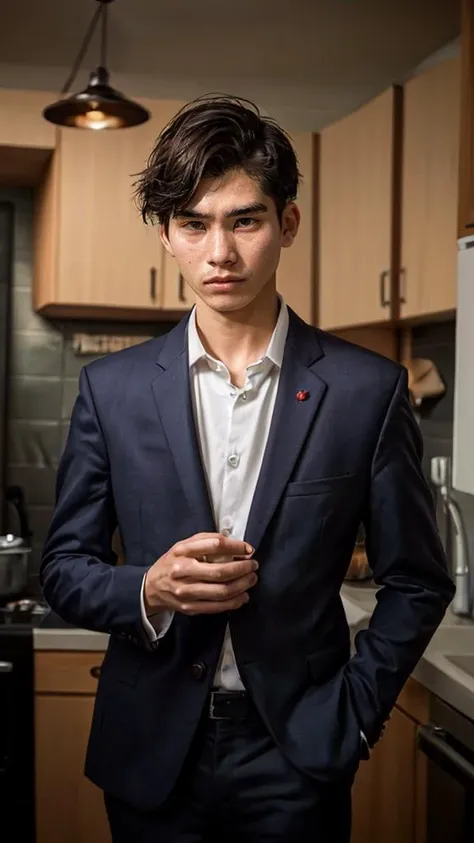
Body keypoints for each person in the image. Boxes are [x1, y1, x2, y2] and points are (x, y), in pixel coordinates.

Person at [40, 94, 454, 843]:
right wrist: (148, 587)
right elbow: (63, 567)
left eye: (244, 220)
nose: (219, 252)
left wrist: (354, 714)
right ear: (166, 234)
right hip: (150, 750)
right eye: (194, 224)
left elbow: (418, 581)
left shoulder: (367, 392)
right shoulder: (112, 389)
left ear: (286, 223)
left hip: (296, 757)